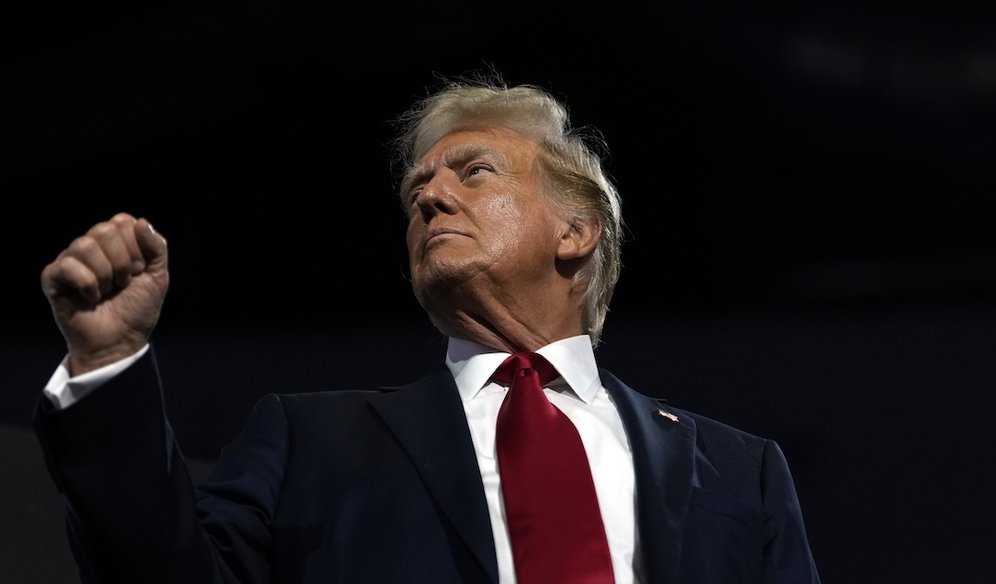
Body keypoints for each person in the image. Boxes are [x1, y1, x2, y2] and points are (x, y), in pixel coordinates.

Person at [34, 71, 821, 583]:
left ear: (577, 231)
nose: (430, 197)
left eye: (473, 172)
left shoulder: (737, 469)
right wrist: (110, 362)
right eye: (420, 186)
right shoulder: (310, 440)